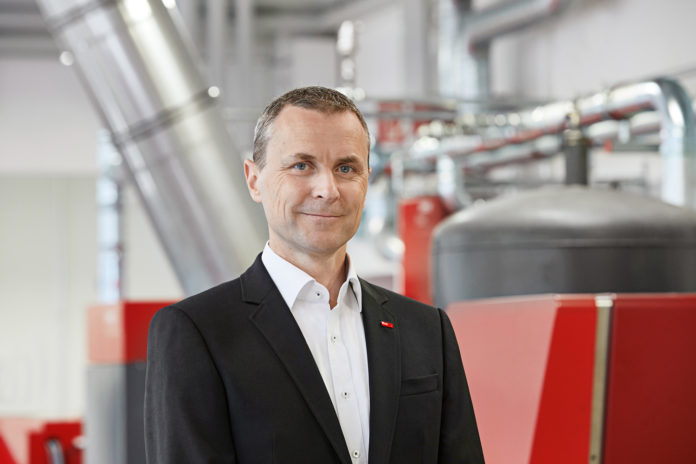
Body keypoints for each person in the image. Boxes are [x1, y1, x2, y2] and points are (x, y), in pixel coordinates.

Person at [144, 86, 484, 464]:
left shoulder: (427, 330)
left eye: (346, 168)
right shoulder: (198, 333)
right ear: (254, 179)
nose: (327, 190)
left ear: (367, 180)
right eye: (302, 166)